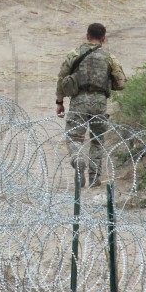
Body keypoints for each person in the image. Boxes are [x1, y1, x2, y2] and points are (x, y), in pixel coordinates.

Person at [55, 23, 126, 187]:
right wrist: (107, 83)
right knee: (97, 140)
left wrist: (60, 102)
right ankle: (95, 177)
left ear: (87, 36)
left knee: (74, 136)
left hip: (78, 101)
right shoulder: (109, 57)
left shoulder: (74, 54)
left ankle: (78, 159)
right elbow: (121, 83)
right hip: (99, 102)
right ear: (104, 38)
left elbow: (61, 79)